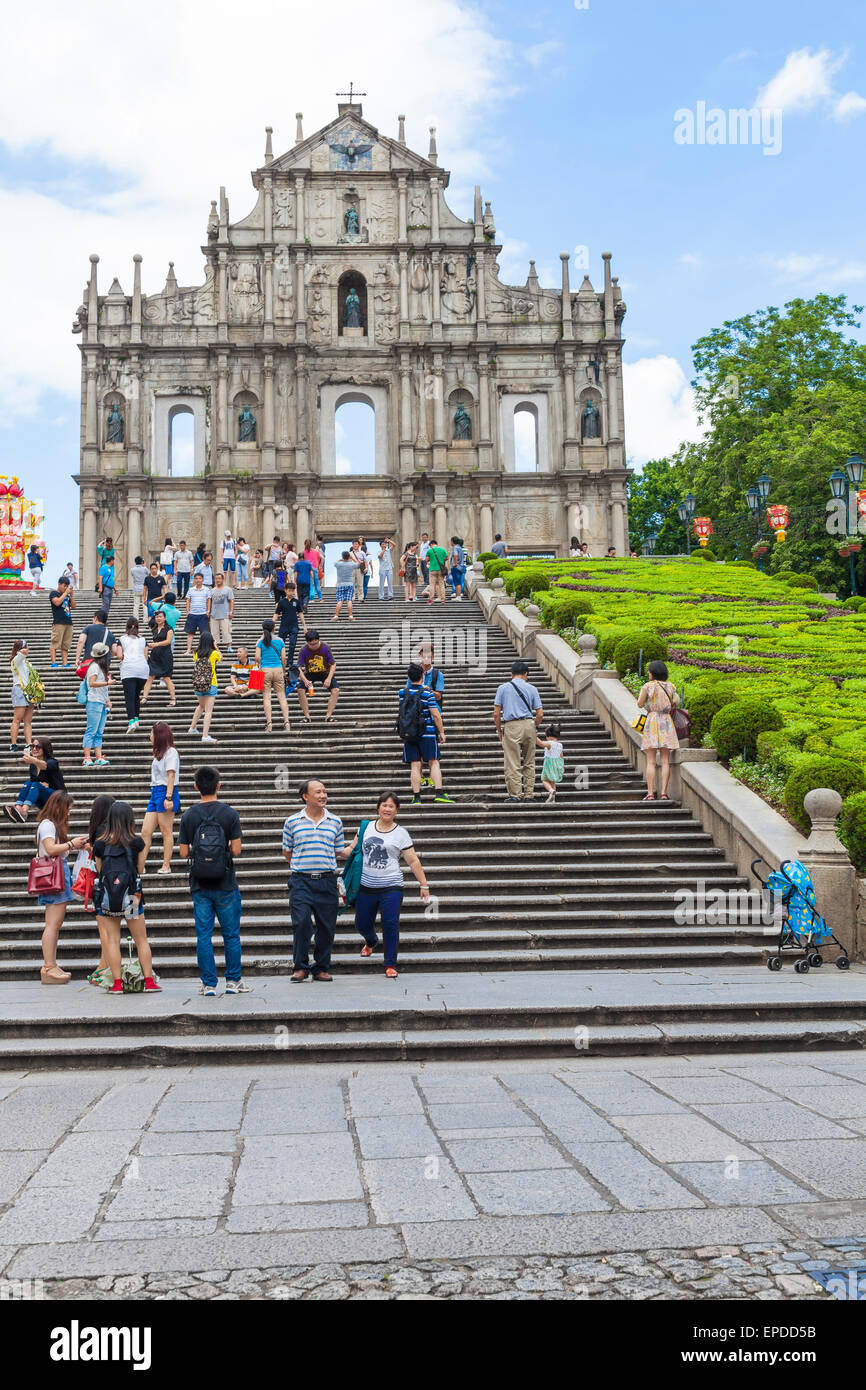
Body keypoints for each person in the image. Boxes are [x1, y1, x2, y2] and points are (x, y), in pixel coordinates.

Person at [345, 790, 430, 978]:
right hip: (365, 886)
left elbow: (413, 861)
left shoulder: (401, 834)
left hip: (391, 886)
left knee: (390, 923)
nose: (387, 809)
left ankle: (390, 964)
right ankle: (371, 941)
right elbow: (352, 850)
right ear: (378, 807)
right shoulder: (365, 827)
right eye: (384, 805)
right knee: (361, 923)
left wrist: (423, 884)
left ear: (396, 810)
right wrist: (332, 851)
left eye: (391, 806)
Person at [179, 765, 246, 996]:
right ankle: (233, 981)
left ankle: (208, 984)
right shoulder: (229, 814)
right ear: (219, 785)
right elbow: (236, 850)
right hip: (226, 882)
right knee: (231, 934)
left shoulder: (189, 815)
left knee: (204, 935)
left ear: (196, 787)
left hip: (199, 884)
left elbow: (183, 853)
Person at [282, 778, 350, 982]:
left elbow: (339, 850)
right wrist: (301, 865)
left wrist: (356, 845)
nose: (323, 796)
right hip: (301, 881)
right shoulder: (292, 821)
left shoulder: (335, 821)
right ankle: (300, 966)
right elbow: (287, 851)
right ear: (305, 796)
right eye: (318, 792)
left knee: (327, 926)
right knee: (301, 922)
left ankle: (320, 967)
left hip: (327, 881)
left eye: (325, 792)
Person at [93, 800, 160, 993]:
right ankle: (148, 981)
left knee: (113, 940)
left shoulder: (99, 844)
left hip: (108, 898)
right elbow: (139, 869)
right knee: (141, 939)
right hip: (131, 896)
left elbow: (99, 870)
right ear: (130, 819)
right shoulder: (137, 843)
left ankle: (116, 984)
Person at [34, 791, 87, 984]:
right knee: (53, 924)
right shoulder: (48, 825)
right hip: (53, 875)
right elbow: (50, 849)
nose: (68, 814)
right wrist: (71, 844)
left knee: (54, 924)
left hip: (57, 873)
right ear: (59, 807)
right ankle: (48, 966)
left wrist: (73, 846)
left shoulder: (50, 825)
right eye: (67, 810)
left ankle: (51, 964)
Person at [398, 662, 451, 804]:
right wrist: (441, 732)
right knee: (434, 762)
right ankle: (439, 792)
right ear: (422, 676)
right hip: (427, 732)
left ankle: (416, 797)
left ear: (409, 677)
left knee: (414, 764)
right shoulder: (427, 693)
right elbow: (436, 714)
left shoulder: (402, 693)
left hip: (410, 733)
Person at [493, 660, 544, 802]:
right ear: (526, 674)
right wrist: (535, 726)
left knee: (512, 762)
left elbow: (496, 713)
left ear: (511, 674)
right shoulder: (532, 688)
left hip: (511, 725)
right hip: (529, 724)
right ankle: (529, 794)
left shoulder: (502, 688)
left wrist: (499, 730)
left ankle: (515, 795)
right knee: (529, 762)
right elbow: (540, 713)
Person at [83, 792, 116, 985]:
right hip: (120, 881)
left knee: (103, 928)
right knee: (109, 928)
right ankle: (102, 964)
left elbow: (99, 862)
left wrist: (91, 850)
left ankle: (107, 968)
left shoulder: (99, 831)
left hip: (103, 882)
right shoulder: (116, 829)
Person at [636, 659, 680, 801]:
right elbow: (675, 702)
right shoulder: (671, 687)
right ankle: (664, 793)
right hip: (667, 721)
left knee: (651, 761)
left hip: (652, 720)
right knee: (665, 760)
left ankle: (650, 793)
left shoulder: (648, 686)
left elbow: (639, 703)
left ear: (652, 673)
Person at [141, 721, 180, 874]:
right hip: (155, 792)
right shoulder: (159, 753)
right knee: (145, 831)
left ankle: (166, 865)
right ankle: (140, 865)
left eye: (152, 733)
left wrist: (168, 797)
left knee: (166, 831)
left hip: (166, 792)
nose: (150, 736)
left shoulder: (171, 752)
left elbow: (171, 775)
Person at [404, 645, 445, 790]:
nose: (426, 658)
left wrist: (428, 691)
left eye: (429, 656)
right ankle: (420, 777)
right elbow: (409, 691)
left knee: (431, 752)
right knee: (418, 754)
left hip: (432, 714)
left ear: (433, 657)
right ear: (420, 657)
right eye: (423, 655)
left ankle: (431, 778)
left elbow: (440, 694)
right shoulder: (414, 673)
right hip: (415, 717)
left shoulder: (437, 674)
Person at [4, 736, 64, 822]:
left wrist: (33, 761)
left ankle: (24, 811)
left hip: (58, 799)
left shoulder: (53, 762)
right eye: (32, 746)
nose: (34, 749)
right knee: (28, 783)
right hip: (44, 800)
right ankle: (17, 809)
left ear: (45, 749)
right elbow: (32, 786)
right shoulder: (33, 766)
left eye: (38, 747)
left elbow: (45, 766)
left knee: (36, 784)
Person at [113, 618, 149, 733]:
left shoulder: (122, 639)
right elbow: (146, 656)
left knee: (129, 696)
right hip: (143, 669)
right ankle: (136, 719)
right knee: (136, 695)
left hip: (129, 669)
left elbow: (119, 656)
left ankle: (131, 721)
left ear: (127, 626)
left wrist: (126, 658)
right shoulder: (143, 639)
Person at [255, 619, 290, 733]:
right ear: (274, 628)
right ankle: (287, 722)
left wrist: (261, 665)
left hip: (265, 670)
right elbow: (284, 658)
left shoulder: (260, 641)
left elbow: (257, 657)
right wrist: (283, 670)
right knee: (281, 696)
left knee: (267, 697)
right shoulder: (280, 641)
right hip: (278, 669)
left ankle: (269, 723)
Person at [297, 631, 339, 723]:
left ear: (318, 640)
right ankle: (307, 716)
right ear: (307, 642)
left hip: (325, 672)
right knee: (300, 690)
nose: (314, 646)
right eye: (311, 644)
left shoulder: (325, 647)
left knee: (335, 690)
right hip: (310, 673)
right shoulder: (303, 650)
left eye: (316, 643)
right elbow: (298, 667)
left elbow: (333, 664)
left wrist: (328, 679)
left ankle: (328, 716)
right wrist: (305, 680)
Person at [81, 643, 112, 768]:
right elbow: (92, 683)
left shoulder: (100, 667)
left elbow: (102, 686)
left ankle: (98, 757)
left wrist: (108, 700)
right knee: (91, 730)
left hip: (101, 701)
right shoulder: (94, 667)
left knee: (99, 731)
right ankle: (87, 757)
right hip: (94, 701)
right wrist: (107, 683)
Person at [189, 630, 221, 743]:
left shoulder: (196, 652)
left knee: (201, 706)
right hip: (211, 683)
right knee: (208, 711)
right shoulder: (214, 653)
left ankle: (192, 728)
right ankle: (205, 735)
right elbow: (221, 657)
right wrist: (215, 645)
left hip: (198, 684)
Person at [142, 608, 176, 708]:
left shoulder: (169, 629)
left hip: (165, 655)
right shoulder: (155, 628)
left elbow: (168, 641)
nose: (158, 618)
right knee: (150, 676)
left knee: (166, 678)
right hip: (155, 655)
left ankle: (173, 699)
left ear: (165, 618)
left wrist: (156, 644)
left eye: (160, 617)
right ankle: (144, 697)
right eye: (157, 617)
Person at [9, 639, 35, 753]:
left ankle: (28, 743)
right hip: (19, 689)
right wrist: (23, 648)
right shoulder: (16, 660)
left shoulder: (27, 663)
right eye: (26, 647)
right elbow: (21, 653)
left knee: (28, 720)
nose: (28, 649)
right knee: (17, 719)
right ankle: (13, 743)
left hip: (29, 690)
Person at [274, 582, 307, 666]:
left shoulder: (296, 601)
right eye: (289, 591)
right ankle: (279, 661)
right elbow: (276, 614)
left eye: (292, 591)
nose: (291, 593)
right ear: (285, 590)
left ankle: (290, 662)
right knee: (280, 645)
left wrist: (304, 626)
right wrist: (271, 625)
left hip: (294, 626)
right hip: (283, 626)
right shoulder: (281, 602)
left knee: (292, 645)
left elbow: (300, 613)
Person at [48, 576, 75, 667]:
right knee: (55, 642)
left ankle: (65, 663)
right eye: (64, 585)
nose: (65, 588)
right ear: (59, 584)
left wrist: (71, 595)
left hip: (68, 622)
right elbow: (57, 602)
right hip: (58, 622)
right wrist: (65, 594)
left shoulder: (67, 595)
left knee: (65, 645)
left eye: (67, 586)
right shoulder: (53, 593)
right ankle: (54, 662)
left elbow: (74, 606)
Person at [537, 722, 564, 804]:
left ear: (548, 736)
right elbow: (561, 756)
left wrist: (535, 736)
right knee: (552, 781)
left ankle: (551, 791)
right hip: (557, 764)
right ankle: (553, 799)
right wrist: (563, 766)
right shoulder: (560, 745)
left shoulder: (549, 743)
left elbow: (541, 743)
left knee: (544, 780)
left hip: (549, 764)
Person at [184, 571, 210, 654]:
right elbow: (188, 600)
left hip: (203, 614)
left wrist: (208, 610)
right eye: (196, 578)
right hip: (192, 614)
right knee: (190, 633)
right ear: (194, 580)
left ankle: (204, 650)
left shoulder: (206, 589)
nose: (198, 580)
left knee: (204, 634)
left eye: (200, 578)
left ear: (202, 580)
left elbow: (209, 600)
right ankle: (188, 649)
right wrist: (187, 611)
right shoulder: (191, 589)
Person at [208, 572, 234, 653]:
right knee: (214, 632)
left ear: (223, 579)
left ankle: (229, 647)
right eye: (216, 579)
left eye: (219, 578)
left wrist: (231, 611)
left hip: (225, 614)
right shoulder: (212, 590)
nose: (217, 580)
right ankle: (216, 647)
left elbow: (231, 601)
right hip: (214, 615)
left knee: (226, 631)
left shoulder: (228, 590)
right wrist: (209, 611)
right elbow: (210, 601)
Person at [332, 550, 360, 621]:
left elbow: (335, 563)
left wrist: (341, 559)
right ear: (348, 557)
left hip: (340, 585)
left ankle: (336, 616)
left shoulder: (339, 564)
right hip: (349, 584)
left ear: (342, 557)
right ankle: (350, 616)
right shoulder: (351, 564)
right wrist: (352, 558)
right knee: (349, 600)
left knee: (340, 601)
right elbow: (358, 564)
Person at [425, 538, 449, 604]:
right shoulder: (442, 550)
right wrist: (442, 560)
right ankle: (443, 599)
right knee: (441, 584)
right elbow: (447, 558)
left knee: (432, 585)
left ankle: (431, 600)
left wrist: (431, 559)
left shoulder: (429, 550)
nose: (430, 547)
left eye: (430, 545)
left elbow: (426, 560)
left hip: (432, 569)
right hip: (441, 570)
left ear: (432, 544)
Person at [130, 555, 149, 621]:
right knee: (145, 604)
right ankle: (145, 619)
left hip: (136, 588)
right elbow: (149, 574)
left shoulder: (132, 569)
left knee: (136, 605)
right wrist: (144, 565)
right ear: (142, 562)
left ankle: (136, 618)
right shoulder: (145, 569)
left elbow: (132, 575)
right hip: (144, 588)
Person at [350, 539, 366, 605]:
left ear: (359, 545)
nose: (355, 545)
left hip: (359, 569)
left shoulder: (362, 552)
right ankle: (352, 597)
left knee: (360, 583)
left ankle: (361, 597)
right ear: (352, 545)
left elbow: (365, 561)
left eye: (356, 544)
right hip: (352, 569)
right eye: (354, 544)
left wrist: (366, 568)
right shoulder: (350, 553)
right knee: (352, 583)